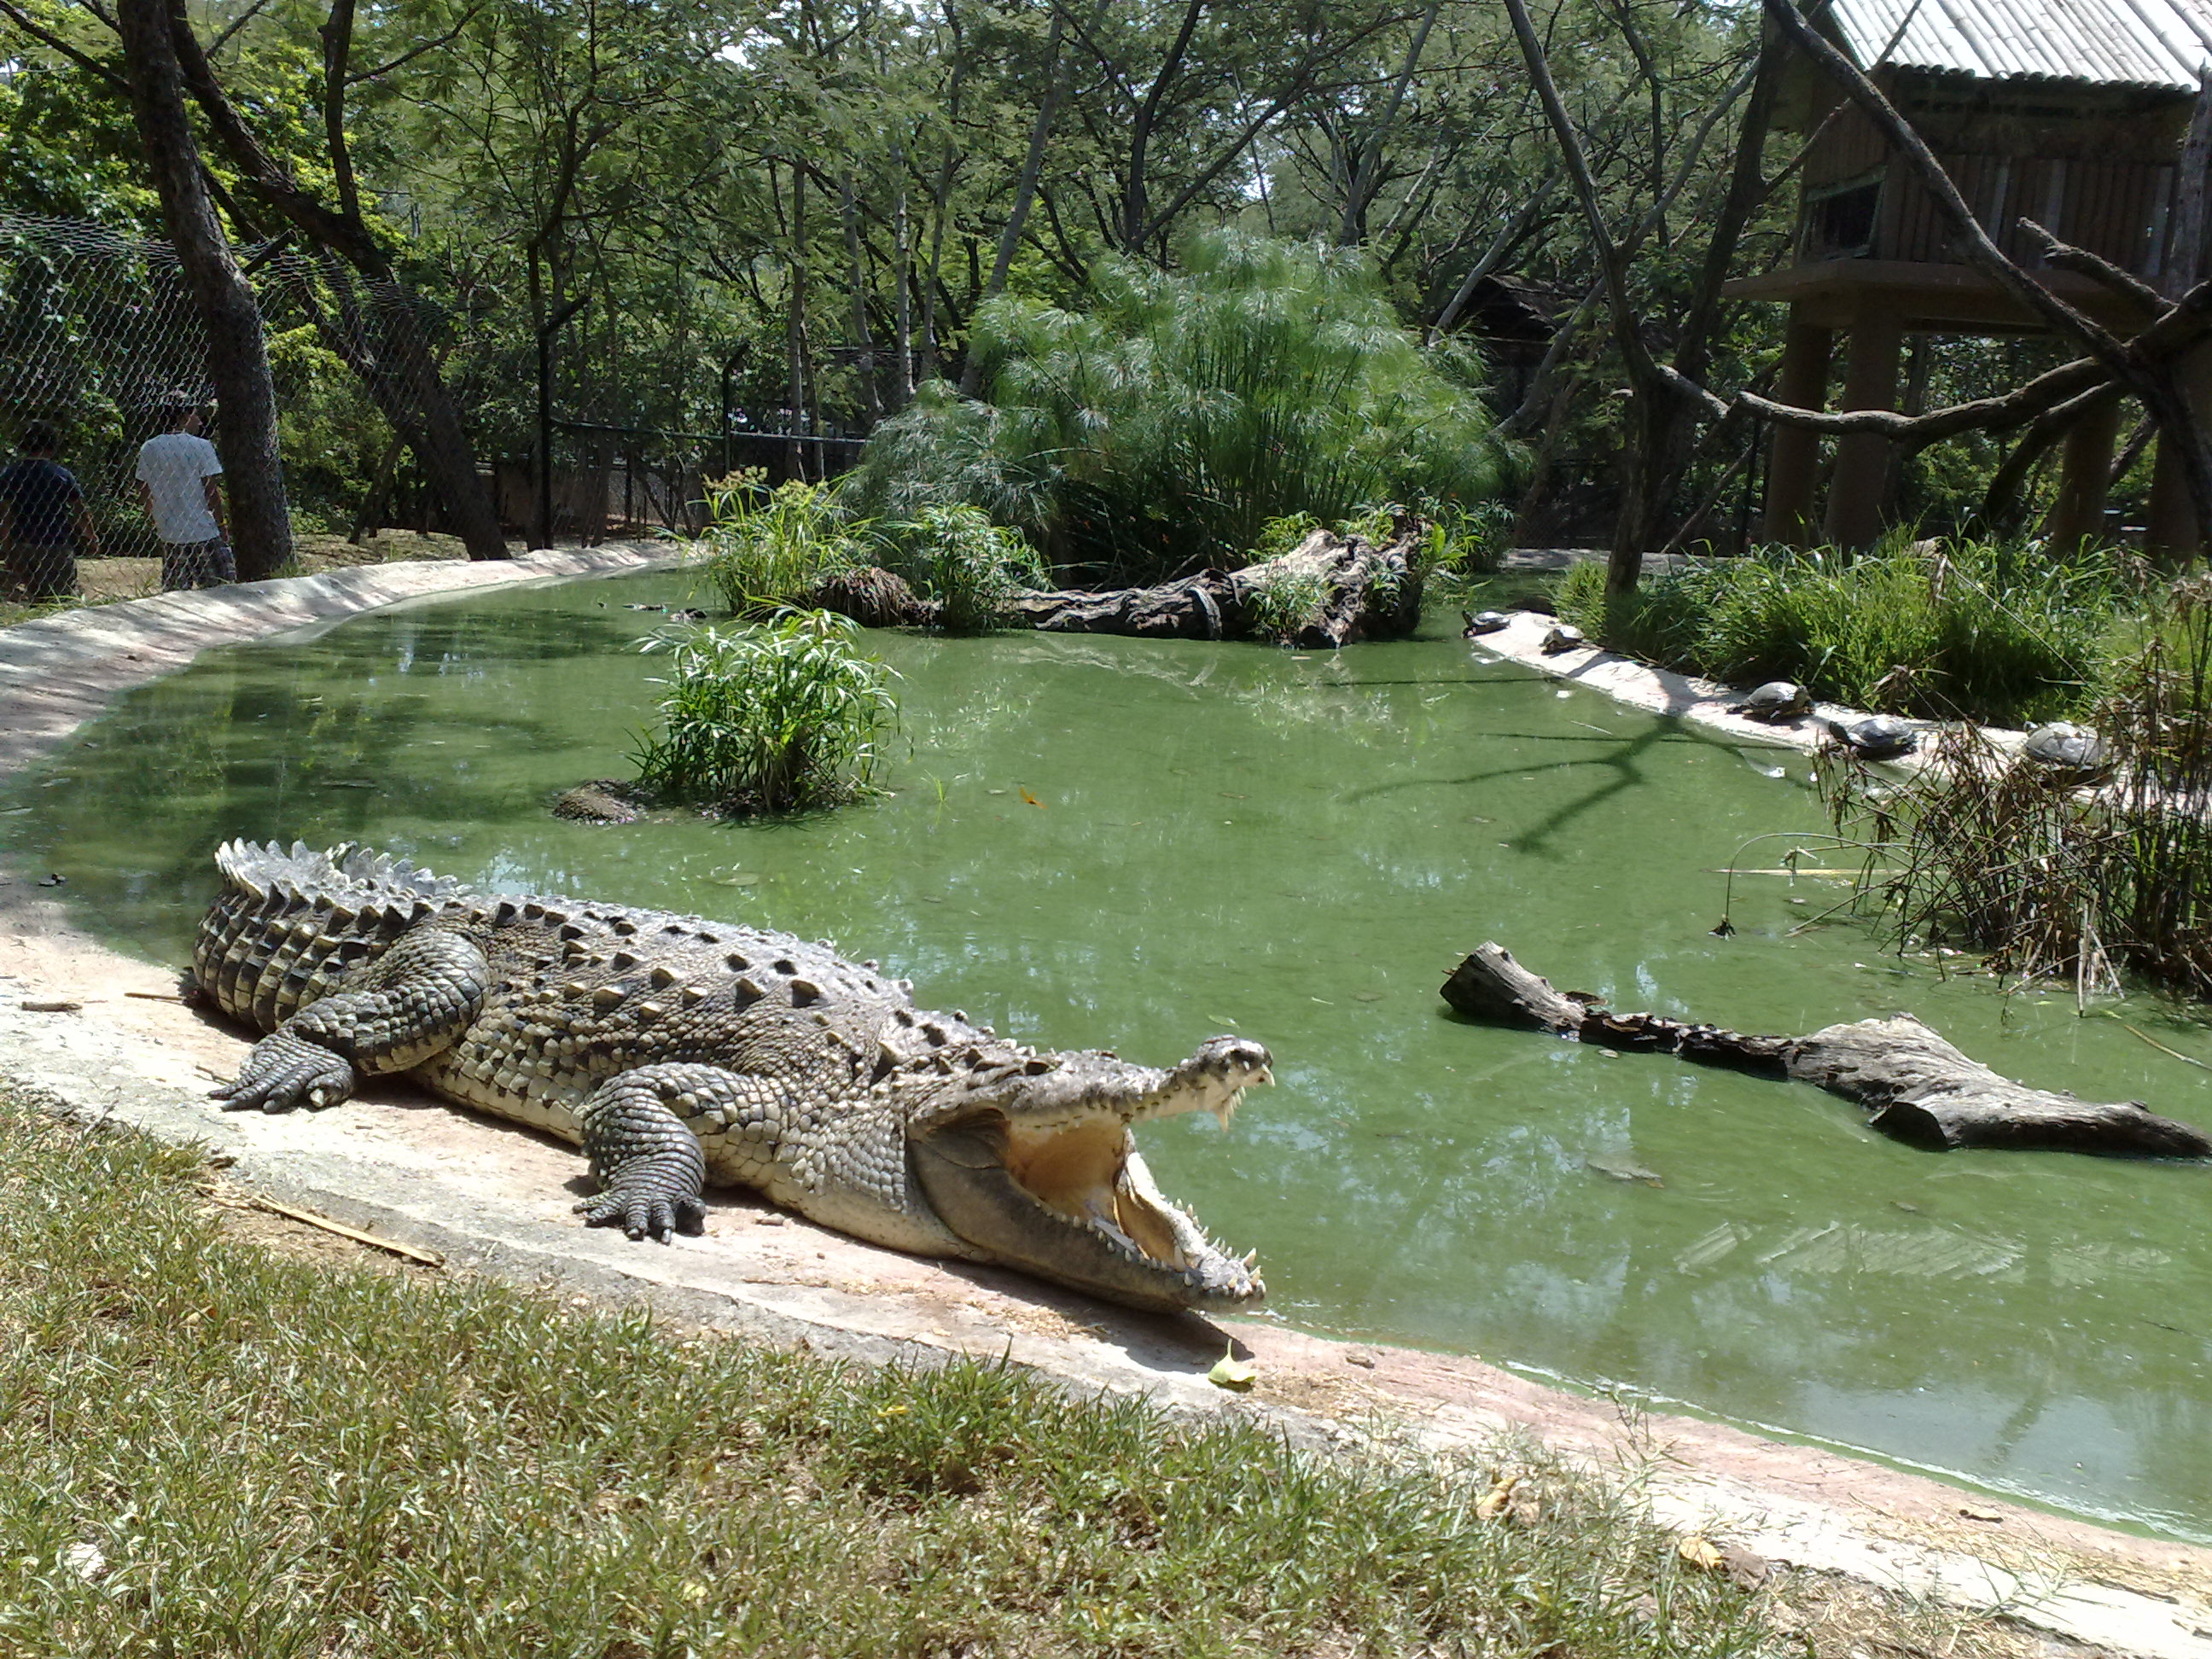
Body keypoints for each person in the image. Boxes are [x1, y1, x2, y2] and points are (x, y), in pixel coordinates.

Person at [136, 401, 234, 591]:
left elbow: (144, 489)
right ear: (183, 418)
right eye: (194, 415)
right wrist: (221, 525)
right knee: (220, 588)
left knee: (176, 593)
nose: (199, 421)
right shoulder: (202, 446)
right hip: (202, 530)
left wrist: (155, 519)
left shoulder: (149, 448)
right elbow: (211, 490)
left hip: (170, 533)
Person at [0, 421, 98, 601]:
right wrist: (91, 536)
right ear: (52, 446)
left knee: (31, 594)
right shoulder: (61, 474)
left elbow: (6, 516)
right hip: (55, 543)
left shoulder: (10, 473)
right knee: (61, 596)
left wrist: (7, 547)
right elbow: (80, 511)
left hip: (22, 542)